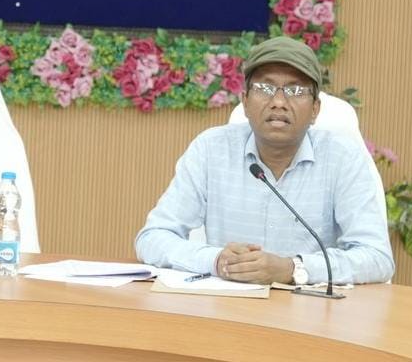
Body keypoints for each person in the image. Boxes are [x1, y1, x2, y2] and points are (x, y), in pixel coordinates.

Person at [134, 36, 394, 285]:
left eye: (295, 90)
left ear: (315, 109)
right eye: (265, 88)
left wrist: (293, 268)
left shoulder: (342, 158)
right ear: (245, 101)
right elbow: (152, 238)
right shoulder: (211, 150)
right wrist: (216, 260)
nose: (278, 102)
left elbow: (377, 258)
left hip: (309, 310)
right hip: (228, 306)